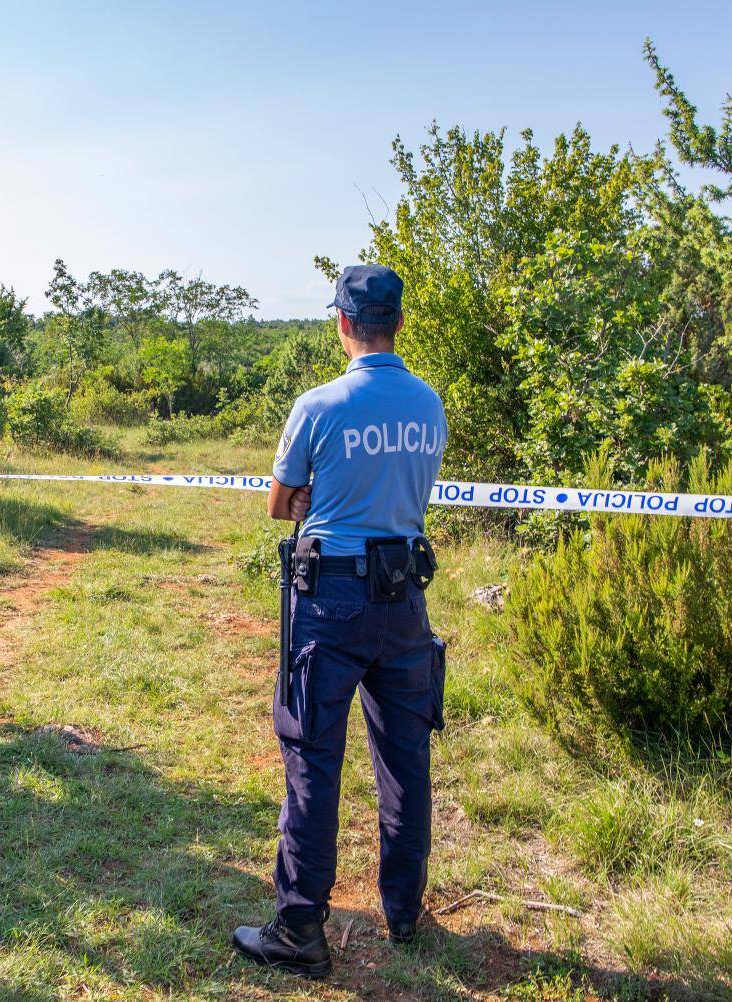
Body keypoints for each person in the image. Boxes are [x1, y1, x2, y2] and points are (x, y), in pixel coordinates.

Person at [232, 264, 449, 978]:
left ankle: (299, 927)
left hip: (331, 595)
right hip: (404, 595)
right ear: (400, 323)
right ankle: (405, 911)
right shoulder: (428, 404)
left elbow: (281, 502)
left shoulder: (319, 405)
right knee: (405, 759)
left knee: (313, 762)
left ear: (343, 323)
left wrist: (317, 496)